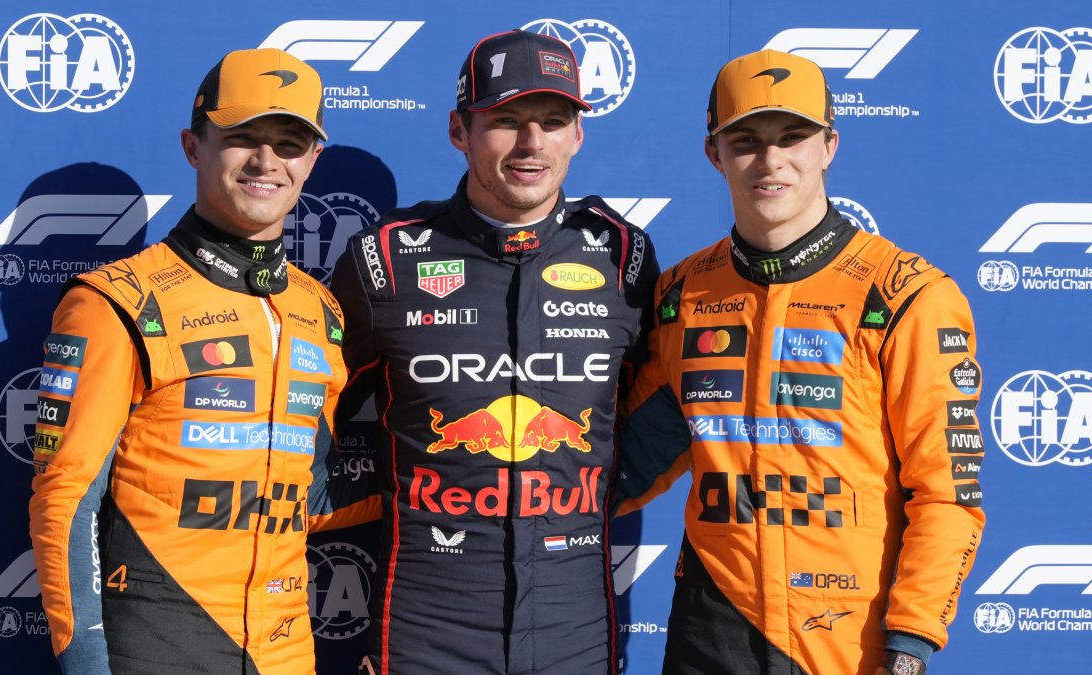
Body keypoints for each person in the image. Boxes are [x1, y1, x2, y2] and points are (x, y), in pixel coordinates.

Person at [617, 49, 986, 675]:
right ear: (715, 153)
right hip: (711, 624)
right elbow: (637, 456)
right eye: (747, 141)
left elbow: (947, 494)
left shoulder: (906, 294)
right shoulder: (684, 292)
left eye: (793, 138)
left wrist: (913, 641)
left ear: (829, 146)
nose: (771, 161)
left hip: (849, 636)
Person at [28, 48, 369, 674]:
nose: (267, 161)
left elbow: (311, 493)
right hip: (160, 648)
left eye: (290, 143)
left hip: (289, 653)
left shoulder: (320, 311)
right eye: (242, 138)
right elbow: (65, 499)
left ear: (313, 161)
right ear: (194, 145)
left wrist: (467, 477)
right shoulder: (116, 300)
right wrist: (85, 664)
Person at [328, 29, 658, 675]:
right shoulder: (386, 258)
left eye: (553, 121)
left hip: (576, 633)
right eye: (506, 121)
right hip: (425, 635)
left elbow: (659, 418)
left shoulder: (624, 254)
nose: (532, 144)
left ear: (577, 135)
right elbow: (307, 417)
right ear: (460, 130)